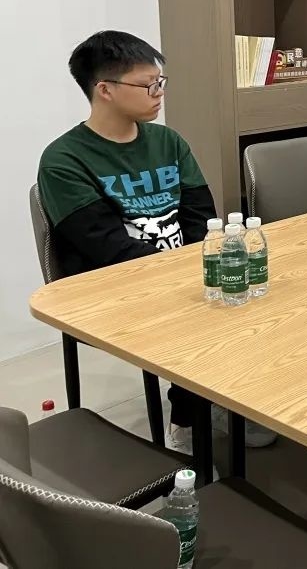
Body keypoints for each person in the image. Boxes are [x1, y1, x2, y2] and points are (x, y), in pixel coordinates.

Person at [36, 30, 223, 453]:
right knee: (212, 312)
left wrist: (205, 266)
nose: (159, 94)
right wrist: (189, 278)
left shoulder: (167, 141)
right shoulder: (64, 160)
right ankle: (188, 418)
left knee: (252, 291)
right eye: (148, 85)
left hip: (181, 271)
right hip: (117, 284)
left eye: (161, 83)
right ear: (105, 90)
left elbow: (200, 217)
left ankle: (224, 402)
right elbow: (108, 249)